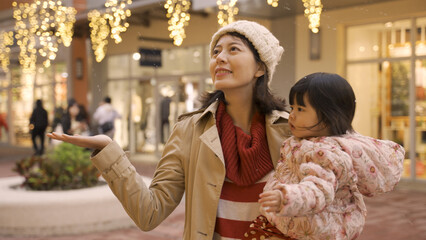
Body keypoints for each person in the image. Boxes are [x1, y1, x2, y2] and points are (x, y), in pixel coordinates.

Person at [48, 20, 290, 239]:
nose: (220, 58)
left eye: (233, 49)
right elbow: (149, 213)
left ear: (260, 67)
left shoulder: (289, 131)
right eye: (216, 51)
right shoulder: (190, 131)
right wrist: (110, 151)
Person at [243, 73, 405, 240]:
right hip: (290, 222)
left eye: (300, 109)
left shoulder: (325, 154)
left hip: (308, 229)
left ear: (328, 117)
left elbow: (318, 189)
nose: (292, 115)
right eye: (292, 108)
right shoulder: (305, 142)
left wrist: (286, 197)